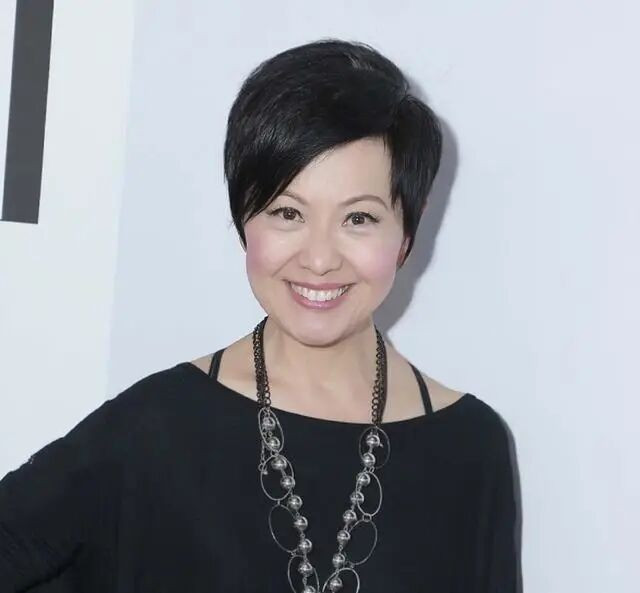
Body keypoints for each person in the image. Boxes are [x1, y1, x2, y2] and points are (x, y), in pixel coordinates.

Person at [0, 38, 518, 592]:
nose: (319, 258)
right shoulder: (155, 428)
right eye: (288, 212)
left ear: (407, 234)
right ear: (243, 219)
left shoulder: (471, 448)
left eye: (359, 219)